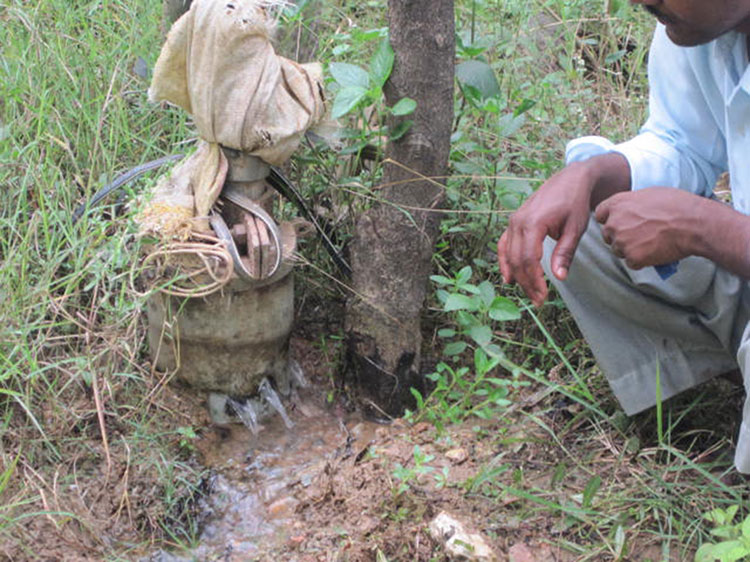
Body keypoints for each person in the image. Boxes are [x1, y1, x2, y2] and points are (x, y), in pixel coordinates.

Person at [497, 0, 750, 472]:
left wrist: (702, 226)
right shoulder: (700, 26)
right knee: (583, 224)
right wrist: (591, 174)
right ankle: (723, 382)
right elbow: (682, 142)